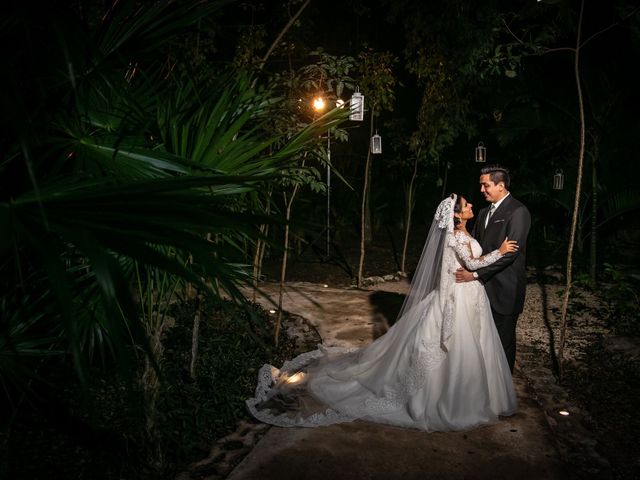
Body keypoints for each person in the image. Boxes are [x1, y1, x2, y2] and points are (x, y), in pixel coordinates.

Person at [247, 194, 518, 432]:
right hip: (456, 300)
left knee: (476, 345)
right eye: (466, 204)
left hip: (470, 297)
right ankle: (453, 403)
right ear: (457, 215)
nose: (472, 204)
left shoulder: (465, 233)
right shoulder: (457, 236)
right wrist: (500, 252)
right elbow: (471, 262)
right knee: (455, 349)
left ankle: (479, 395)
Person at [455, 166, 531, 372]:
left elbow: (510, 254)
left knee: (503, 343)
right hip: (481, 290)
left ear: (501, 185)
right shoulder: (482, 213)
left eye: (485, 185)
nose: (481, 189)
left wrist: (475, 274)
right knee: (483, 341)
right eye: (481, 184)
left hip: (505, 289)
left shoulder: (518, 211)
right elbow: (477, 248)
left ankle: (504, 388)